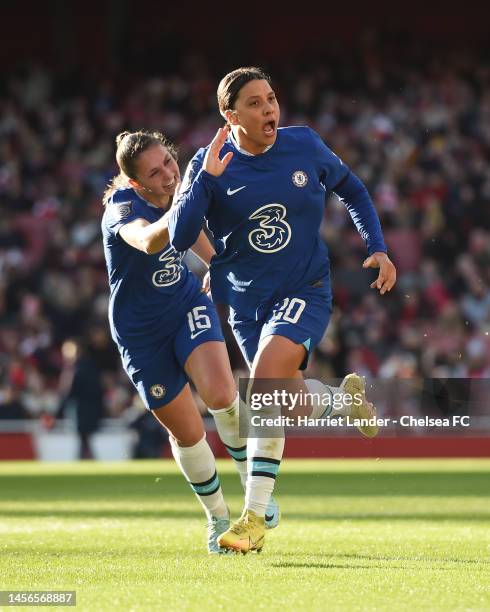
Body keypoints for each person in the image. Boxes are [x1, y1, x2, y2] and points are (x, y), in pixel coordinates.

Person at [168, 67, 397, 553]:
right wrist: (204, 183)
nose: (269, 109)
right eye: (254, 103)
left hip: (305, 286)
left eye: (271, 98)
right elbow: (180, 237)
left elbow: (352, 189)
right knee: (286, 397)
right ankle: (341, 400)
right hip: (246, 304)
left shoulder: (305, 145)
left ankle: (253, 518)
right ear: (230, 116)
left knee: (266, 388)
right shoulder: (207, 164)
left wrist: (376, 245)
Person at [101, 129, 279, 554]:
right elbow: (147, 241)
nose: (167, 173)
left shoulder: (181, 193)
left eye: (168, 161)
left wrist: (222, 274)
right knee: (189, 434)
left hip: (184, 307)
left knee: (221, 392)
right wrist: (188, 199)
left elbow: (207, 249)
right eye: (154, 172)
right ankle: (217, 518)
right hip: (141, 334)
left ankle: (252, 491)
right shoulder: (121, 208)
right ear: (134, 183)